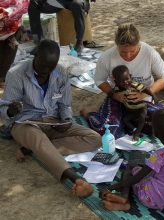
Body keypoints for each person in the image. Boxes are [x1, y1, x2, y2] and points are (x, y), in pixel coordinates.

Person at [0, 39, 102, 197]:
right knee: (36, 136)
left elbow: (65, 105)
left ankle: (33, 149)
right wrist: (11, 111)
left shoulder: (60, 72)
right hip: (25, 124)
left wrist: (66, 120)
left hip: (53, 121)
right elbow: (4, 109)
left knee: (94, 138)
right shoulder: (16, 73)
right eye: (43, 65)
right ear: (35, 56)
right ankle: (76, 179)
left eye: (51, 67)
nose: (46, 71)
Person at [81, 24, 164, 138]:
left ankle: (125, 122)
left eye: (133, 51)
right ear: (117, 46)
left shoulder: (149, 52)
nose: (128, 56)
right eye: (123, 52)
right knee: (107, 131)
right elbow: (99, 80)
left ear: (138, 44)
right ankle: (89, 114)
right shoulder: (107, 57)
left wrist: (144, 93)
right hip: (118, 100)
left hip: (142, 101)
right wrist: (114, 95)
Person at [100, 109, 164, 211]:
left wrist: (111, 187)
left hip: (148, 197)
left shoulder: (160, 154)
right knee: (145, 165)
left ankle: (124, 199)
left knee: (131, 168)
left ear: (155, 132)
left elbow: (137, 178)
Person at [28, 0, 96, 53]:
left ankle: (79, 42)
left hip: (76, 2)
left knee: (76, 5)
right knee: (33, 6)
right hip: (59, 2)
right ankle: (39, 42)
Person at [111, 65, 158, 141]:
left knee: (142, 117)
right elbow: (114, 96)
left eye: (127, 79)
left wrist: (153, 95)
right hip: (131, 110)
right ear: (115, 81)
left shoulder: (134, 84)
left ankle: (137, 133)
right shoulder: (116, 89)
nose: (126, 82)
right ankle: (134, 129)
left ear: (130, 76)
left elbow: (145, 89)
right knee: (125, 120)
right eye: (122, 81)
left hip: (141, 107)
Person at [0, 0, 29, 86]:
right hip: (6, 28)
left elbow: (22, 6)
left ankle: (2, 78)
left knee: (10, 53)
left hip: (12, 28)